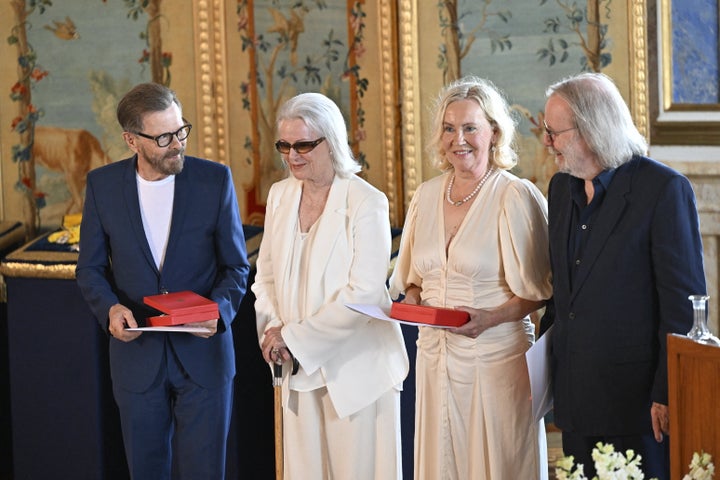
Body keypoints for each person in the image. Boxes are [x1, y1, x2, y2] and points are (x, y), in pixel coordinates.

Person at [76, 82, 250, 479]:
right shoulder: (102, 187)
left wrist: (218, 313)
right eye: (164, 137)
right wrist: (110, 309)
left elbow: (236, 268)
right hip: (137, 360)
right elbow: (90, 269)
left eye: (181, 130)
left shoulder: (215, 180)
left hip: (204, 360)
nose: (177, 144)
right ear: (131, 140)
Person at [539, 72, 706, 480]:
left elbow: (682, 306)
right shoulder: (561, 189)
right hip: (575, 404)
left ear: (589, 132)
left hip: (639, 409)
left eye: (553, 132)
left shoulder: (663, 190)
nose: (546, 142)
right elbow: (563, 297)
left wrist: (667, 395)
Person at [389, 76, 553, 480]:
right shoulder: (425, 195)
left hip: (496, 362)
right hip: (433, 360)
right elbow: (412, 279)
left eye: (469, 127)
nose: (457, 139)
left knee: (498, 465)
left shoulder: (514, 195)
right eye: (448, 128)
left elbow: (542, 291)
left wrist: (490, 319)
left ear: (494, 132)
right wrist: (411, 298)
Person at [252, 92, 409, 479]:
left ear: (332, 141)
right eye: (285, 145)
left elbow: (365, 295)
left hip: (356, 375)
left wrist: (294, 337)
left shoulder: (366, 201)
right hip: (294, 370)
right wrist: (273, 332)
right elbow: (265, 276)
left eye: (304, 144)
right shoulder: (280, 195)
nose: (293, 155)